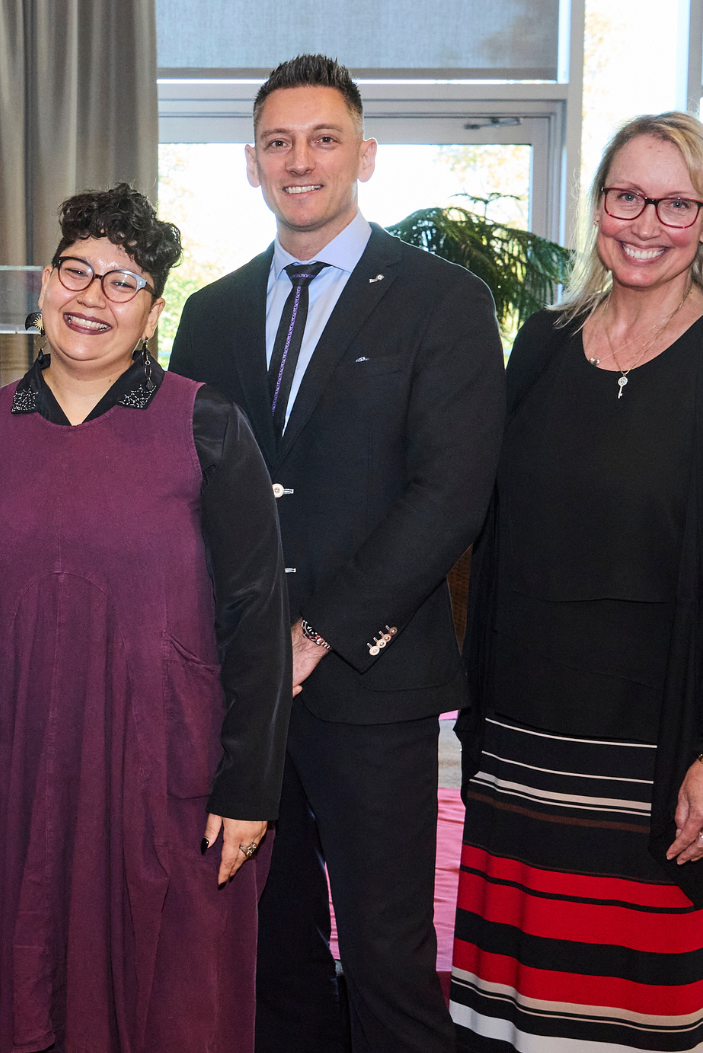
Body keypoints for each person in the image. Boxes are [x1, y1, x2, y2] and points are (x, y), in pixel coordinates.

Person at [168, 53, 505, 1052]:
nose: (299, 160)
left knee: (388, 955)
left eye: (323, 139)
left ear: (365, 154)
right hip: (243, 692)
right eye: (278, 142)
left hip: (370, 681)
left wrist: (322, 632)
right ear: (250, 162)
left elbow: (449, 495)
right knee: (269, 954)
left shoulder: (442, 302)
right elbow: (186, 494)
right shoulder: (211, 312)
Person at [450, 113, 703, 1052]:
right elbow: (489, 536)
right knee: (510, 1018)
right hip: (524, 743)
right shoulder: (542, 344)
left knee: (631, 1019)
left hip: (653, 756)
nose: (646, 222)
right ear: (598, 204)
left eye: (676, 202)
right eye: (626, 196)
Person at [0, 183, 291, 1052]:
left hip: (168, 771)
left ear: (154, 311)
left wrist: (250, 789)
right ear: (43, 285)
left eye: (121, 283)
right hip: (18, 768)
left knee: (172, 998)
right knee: (26, 982)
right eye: (76, 272)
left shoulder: (205, 426)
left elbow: (257, 615)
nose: (92, 298)